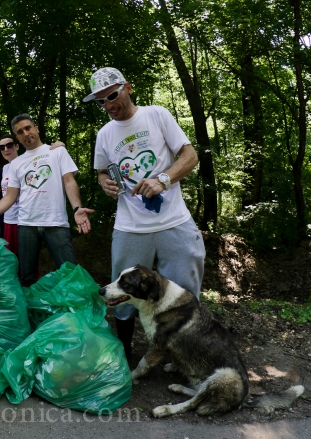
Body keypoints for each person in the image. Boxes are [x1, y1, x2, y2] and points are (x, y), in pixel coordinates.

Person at [84, 67, 206, 360]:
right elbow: (101, 172)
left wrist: (162, 179)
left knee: (185, 289)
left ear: (127, 87)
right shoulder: (104, 134)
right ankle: (125, 353)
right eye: (100, 102)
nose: (109, 106)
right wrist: (106, 185)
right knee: (120, 291)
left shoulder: (156, 115)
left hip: (173, 220)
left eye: (112, 96)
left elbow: (190, 157)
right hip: (130, 225)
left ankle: (184, 354)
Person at [0, 114, 94, 287]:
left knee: (70, 273)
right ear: (18, 138)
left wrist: (76, 208)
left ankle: (77, 311)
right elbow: (11, 196)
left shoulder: (57, 151)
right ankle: (30, 313)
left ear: (37, 128)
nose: (25, 133)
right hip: (26, 224)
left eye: (28, 128)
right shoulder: (16, 163)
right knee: (26, 278)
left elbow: (69, 181)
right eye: (20, 132)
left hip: (55, 222)